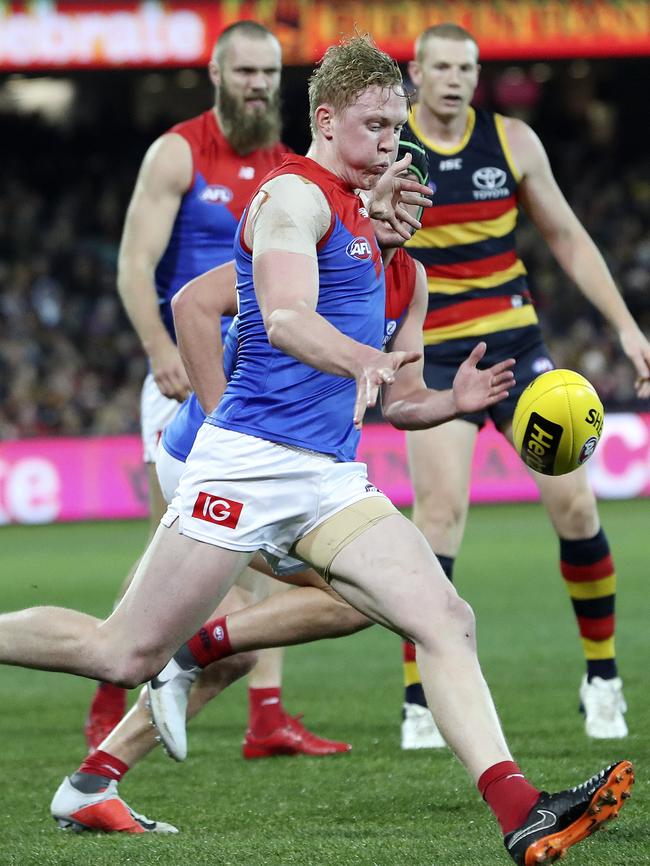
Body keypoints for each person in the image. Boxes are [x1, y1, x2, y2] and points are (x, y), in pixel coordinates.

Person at [0, 36, 633, 865]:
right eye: (375, 126)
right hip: (247, 467)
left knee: (445, 616)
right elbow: (290, 317)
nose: (392, 145)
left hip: (328, 480)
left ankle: (521, 812)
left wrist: (449, 400)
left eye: (398, 129)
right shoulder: (291, 199)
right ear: (326, 120)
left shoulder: (369, 226)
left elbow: (394, 388)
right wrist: (360, 358)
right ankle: (145, 710)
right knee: (123, 650)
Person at [49, 143, 515, 832]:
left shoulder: (409, 282)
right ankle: (185, 657)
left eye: (420, 204)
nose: (408, 211)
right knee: (141, 646)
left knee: (357, 605)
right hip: (221, 458)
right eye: (398, 191)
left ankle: (101, 772)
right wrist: (220, 428)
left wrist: (450, 403)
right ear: (374, 190)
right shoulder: (312, 238)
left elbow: (402, 398)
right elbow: (190, 305)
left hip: (298, 466)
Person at [91, 18, 349, 759]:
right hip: (183, 374)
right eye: (245, 73)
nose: (260, 86)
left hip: (263, 383)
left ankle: (266, 715)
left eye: (270, 74)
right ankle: (110, 682)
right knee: (167, 549)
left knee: (273, 532)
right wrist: (160, 350)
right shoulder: (179, 152)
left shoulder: (291, 166)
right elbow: (133, 266)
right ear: (216, 75)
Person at [398, 22, 650, 749]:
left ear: (477, 74)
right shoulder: (392, 149)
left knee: (574, 505)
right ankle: (420, 697)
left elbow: (567, 236)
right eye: (441, 66)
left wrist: (626, 326)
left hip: (516, 346)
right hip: (435, 355)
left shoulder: (511, 142)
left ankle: (602, 679)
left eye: (466, 67)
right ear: (416, 73)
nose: (454, 78)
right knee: (437, 522)